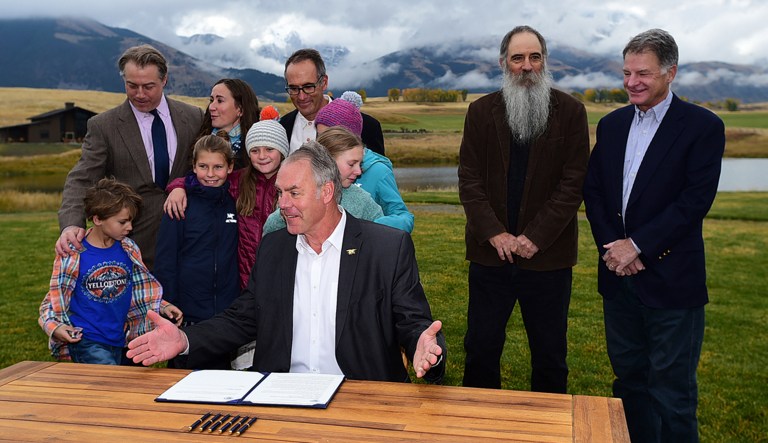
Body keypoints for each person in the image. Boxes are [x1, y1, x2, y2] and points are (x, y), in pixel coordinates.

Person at [126, 143, 446, 383]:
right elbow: (244, 317)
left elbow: (413, 322)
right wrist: (185, 340)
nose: (283, 205)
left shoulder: (386, 248)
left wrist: (425, 345)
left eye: (294, 193)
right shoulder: (276, 248)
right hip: (282, 393)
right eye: (280, 193)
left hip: (361, 395)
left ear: (327, 191)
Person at [583, 29, 724, 442]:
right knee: (629, 385)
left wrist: (638, 246)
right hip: (618, 279)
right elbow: (593, 192)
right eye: (626, 73)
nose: (631, 83)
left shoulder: (702, 126)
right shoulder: (611, 125)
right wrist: (614, 250)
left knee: (673, 394)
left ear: (670, 73)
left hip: (671, 283)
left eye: (642, 73)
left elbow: (694, 201)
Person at [458, 26, 589, 393]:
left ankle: (549, 430)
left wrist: (535, 237)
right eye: (518, 58)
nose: (527, 66)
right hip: (490, 256)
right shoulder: (481, 112)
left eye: (535, 57)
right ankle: (480, 429)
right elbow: (469, 180)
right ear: (504, 63)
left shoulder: (571, 112)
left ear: (544, 61)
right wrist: (494, 233)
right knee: (481, 352)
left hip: (548, 260)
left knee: (550, 357)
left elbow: (573, 183)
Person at [56, 44, 205, 270]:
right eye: (132, 85)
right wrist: (70, 225)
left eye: (148, 86)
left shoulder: (194, 116)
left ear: (164, 81)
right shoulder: (103, 126)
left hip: (191, 242)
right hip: (132, 247)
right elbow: (82, 178)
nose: (140, 94)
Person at [39, 178, 182, 365]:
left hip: (122, 339)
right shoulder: (73, 253)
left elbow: (137, 289)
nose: (129, 227)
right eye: (122, 222)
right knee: (107, 387)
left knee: (123, 388)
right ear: (97, 219)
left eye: (131, 221)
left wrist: (162, 306)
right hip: (87, 340)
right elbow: (55, 297)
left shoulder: (128, 249)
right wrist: (55, 327)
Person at [164, 119, 289, 290]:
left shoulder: (291, 184)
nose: (262, 156)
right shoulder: (238, 181)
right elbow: (204, 180)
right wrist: (178, 187)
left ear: (282, 150)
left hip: (281, 275)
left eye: (269, 149)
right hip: (243, 280)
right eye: (255, 150)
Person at [154, 133, 239, 369]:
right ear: (193, 166)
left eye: (218, 167)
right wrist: (168, 304)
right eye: (203, 166)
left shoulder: (236, 201)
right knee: (184, 380)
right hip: (187, 313)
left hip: (225, 312)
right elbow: (166, 259)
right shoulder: (180, 205)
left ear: (230, 167)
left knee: (222, 379)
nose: (210, 174)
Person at [314, 93, 415, 233]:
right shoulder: (317, 168)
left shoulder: (378, 171)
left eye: (330, 135)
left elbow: (404, 218)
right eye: (319, 135)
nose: (322, 143)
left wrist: (367, 227)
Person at [263, 129, 383, 234]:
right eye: (351, 164)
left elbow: (380, 234)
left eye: (360, 164)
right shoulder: (285, 211)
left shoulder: (361, 200)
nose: (358, 171)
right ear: (328, 161)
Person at [279, 48, 386, 155]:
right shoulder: (282, 127)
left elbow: (379, 170)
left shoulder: (367, 126)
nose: (301, 97)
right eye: (293, 88)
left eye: (308, 87)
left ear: (324, 83)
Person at [195, 78, 260, 169]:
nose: (211, 107)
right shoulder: (199, 141)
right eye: (211, 100)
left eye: (220, 101)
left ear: (240, 109)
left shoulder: (257, 149)